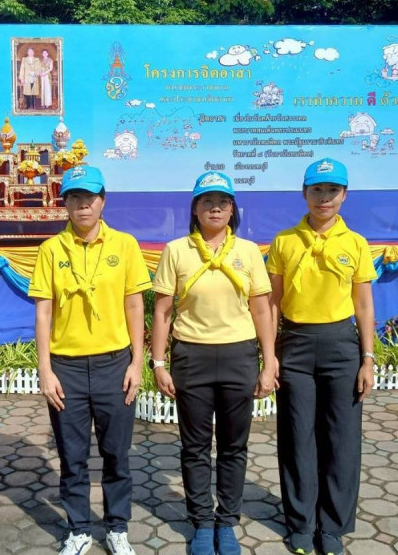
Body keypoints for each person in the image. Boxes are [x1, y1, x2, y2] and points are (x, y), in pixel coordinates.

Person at [150, 171, 276, 555]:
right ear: (195, 208)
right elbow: (163, 311)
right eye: (207, 201)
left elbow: (261, 309)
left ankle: (227, 522)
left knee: (234, 446)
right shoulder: (176, 250)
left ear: (233, 209)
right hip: (192, 357)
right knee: (195, 447)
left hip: (239, 356)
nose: (215, 208)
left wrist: (269, 362)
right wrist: (158, 363)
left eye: (223, 201)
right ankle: (202, 522)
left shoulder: (249, 251)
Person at [28, 165, 151, 555]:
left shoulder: (124, 245)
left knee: (117, 453)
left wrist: (137, 363)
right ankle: (79, 528)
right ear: (64, 204)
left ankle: (117, 527)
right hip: (66, 368)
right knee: (72, 455)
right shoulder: (51, 250)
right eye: (74, 197)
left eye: (90, 196)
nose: (83, 204)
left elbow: (135, 306)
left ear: (103, 201)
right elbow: (43, 313)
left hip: (114, 365)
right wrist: (45, 370)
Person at [266, 158, 377, 555]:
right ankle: (300, 522)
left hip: (341, 346)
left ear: (344, 195)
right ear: (304, 193)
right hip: (295, 344)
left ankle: (332, 525)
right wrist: (269, 355)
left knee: (341, 438)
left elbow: (363, 305)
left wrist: (367, 358)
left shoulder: (356, 243)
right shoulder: (284, 241)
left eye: (332, 190)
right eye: (317, 190)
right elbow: (272, 303)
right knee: (297, 435)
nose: (324, 198)